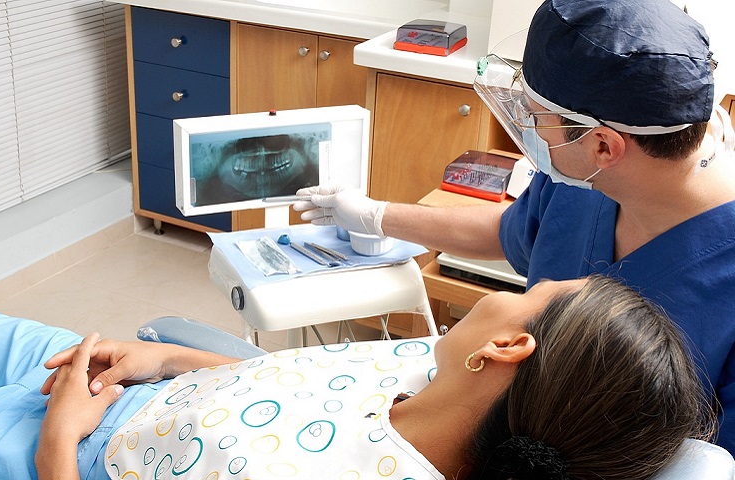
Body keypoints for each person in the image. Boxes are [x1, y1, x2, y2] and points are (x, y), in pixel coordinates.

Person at [294, 0, 735, 453]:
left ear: (603, 144)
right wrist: (376, 215)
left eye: (535, 119)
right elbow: (509, 232)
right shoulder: (582, 181)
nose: (526, 133)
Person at [0, 277, 715, 479]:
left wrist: (60, 436)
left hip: (52, 455)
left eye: (530, 293)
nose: (504, 294)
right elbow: (282, 378)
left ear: (507, 352)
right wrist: (162, 359)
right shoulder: (425, 368)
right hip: (117, 380)